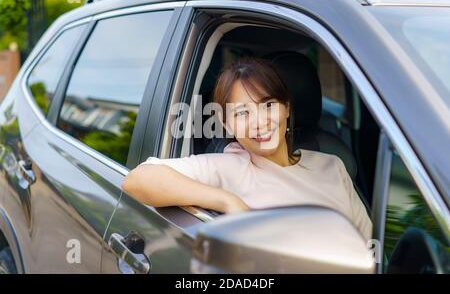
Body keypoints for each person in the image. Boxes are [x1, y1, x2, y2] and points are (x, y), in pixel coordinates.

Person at [123, 57, 372, 241]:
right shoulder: (231, 167)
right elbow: (138, 179)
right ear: (226, 123)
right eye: (242, 113)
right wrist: (228, 201)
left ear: (286, 108)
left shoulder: (333, 164)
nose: (259, 122)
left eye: (268, 105)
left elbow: (369, 245)